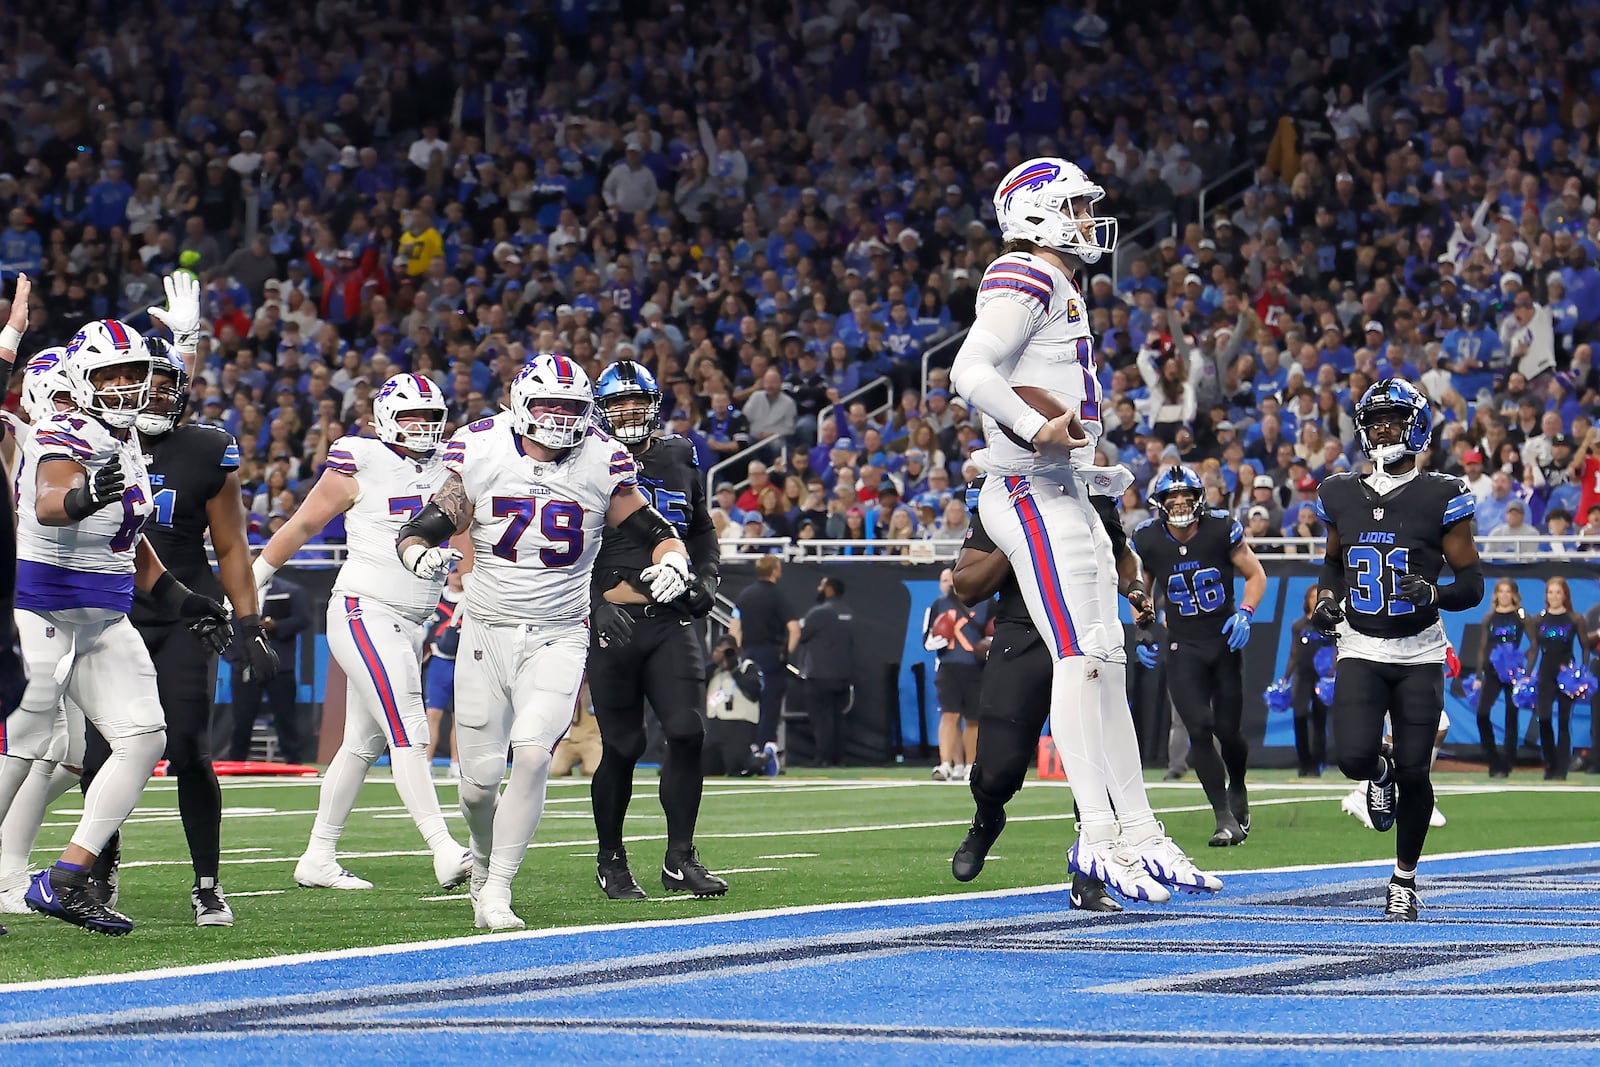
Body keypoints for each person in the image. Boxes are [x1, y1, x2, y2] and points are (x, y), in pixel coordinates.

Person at [949, 156, 1217, 902]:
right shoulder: (1024, 273)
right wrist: (1039, 427)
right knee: (1079, 656)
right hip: (1029, 488)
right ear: (1035, 212)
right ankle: (1097, 835)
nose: (1087, 219)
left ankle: (1136, 827)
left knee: (1105, 658)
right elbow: (970, 371)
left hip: (1065, 488)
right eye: (1073, 206)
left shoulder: (1058, 282)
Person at [396, 353, 694, 931]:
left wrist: (675, 558)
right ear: (520, 403)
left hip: (559, 633)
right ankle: (482, 867)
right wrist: (418, 553)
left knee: (533, 753)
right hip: (486, 631)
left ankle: (500, 888)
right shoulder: (482, 448)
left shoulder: (601, 460)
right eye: (548, 405)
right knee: (479, 786)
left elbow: (654, 529)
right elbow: (427, 523)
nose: (559, 417)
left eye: (571, 407)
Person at [10, 320, 231, 935]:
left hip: (104, 615)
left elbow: (129, 544)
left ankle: (66, 877)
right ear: (84, 377)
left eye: (134, 374)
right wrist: (85, 497)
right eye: (111, 375)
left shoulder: (128, 437)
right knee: (23, 747)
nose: (126, 386)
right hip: (41, 607)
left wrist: (186, 600)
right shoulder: (67, 431)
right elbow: (53, 502)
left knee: (143, 738)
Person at [77, 331, 277, 927]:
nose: (157, 398)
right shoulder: (94, 439)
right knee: (98, 753)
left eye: (169, 388)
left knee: (190, 748)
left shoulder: (206, 448)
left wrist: (248, 621)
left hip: (189, 615)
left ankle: (208, 884)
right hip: (114, 612)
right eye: (149, 387)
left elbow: (232, 544)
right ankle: (97, 867)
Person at [252, 372, 472, 893]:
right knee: (410, 727)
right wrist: (254, 581)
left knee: (361, 743)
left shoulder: (454, 467)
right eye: (411, 415)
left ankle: (318, 856)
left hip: (411, 619)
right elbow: (303, 524)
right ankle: (443, 846)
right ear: (385, 419)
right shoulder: (360, 457)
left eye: (430, 417)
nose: (421, 427)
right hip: (364, 608)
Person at [1310, 378, 1484, 920]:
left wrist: (1434, 593)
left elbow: (1473, 584)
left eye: (1393, 418)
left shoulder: (1442, 493)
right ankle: (1377, 775)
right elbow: (1335, 562)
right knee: (1354, 759)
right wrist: (1326, 600)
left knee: (1417, 770)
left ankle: (1403, 878)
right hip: (1361, 642)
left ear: (1417, 425)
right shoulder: (1339, 491)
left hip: (1419, 652)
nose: (1383, 428)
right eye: (1375, 420)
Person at [949, 474, 1152, 912]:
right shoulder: (1004, 494)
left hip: (1083, 637)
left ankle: (1090, 872)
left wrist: (1134, 589)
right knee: (997, 771)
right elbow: (965, 587)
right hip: (1023, 635)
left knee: (1093, 758)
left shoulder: (1093, 492)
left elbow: (1122, 558)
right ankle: (987, 817)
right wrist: (1020, 535)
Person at [586, 360, 725, 900]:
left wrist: (707, 578)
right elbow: (569, 551)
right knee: (622, 744)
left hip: (669, 620)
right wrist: (593, 602)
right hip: (614, 620)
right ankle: (611, 858)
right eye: (617, 404)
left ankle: (679, 857)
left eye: (636, 403)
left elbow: (702, 528)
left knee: (689, 731)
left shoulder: (676, 454)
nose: (628, 414)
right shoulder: (585, 462)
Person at [1132, 465, 1267, 846]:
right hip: (1182, 645)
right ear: (1160, 504)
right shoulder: (1148, 539)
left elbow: (1255, 575)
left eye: (1185, 499)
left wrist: (1246, 612)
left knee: (1228, 731)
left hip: (1222, 641)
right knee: (1199, 727)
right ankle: (1223, 817)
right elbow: (1141, 589)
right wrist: (1143, 631)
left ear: (1199, 501)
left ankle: (1237, 782)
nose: (1178, 505)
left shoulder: (1221, 529)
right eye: (1171, 500)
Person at [0, 347, 87, 918]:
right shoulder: (15, 434)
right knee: (27, 737)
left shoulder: (81, 441)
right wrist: (10, 337)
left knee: (74, 752)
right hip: (25, 601)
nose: (67, 405)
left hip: (77, 607)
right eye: (56, 393)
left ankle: (10, 864)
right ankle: (8, 873)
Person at [231, 570, 311, 762]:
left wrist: (277, 625)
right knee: (242, 718)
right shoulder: (235, 591)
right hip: (246, 664)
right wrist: (234, 657)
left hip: (279, 663)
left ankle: (293, 762)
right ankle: (235, 763)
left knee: (285, 717)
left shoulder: (290, 591)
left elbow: (303, 619)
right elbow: (229, 624)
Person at [729, 554, 797, 773]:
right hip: (770, 655)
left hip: (748, 655)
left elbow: (734, 629)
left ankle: (746, 749)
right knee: (770, 706)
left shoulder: (744, 596)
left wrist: (738, 656)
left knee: (749, 704)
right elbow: (795, 629)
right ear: (775, 571)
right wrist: (785, 654)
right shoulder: (778, 597)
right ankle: (765, 749)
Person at [922, 567, 990, 782]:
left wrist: (989, 644)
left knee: (973, 719)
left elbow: (996, 631)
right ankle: (945, 764)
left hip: (976, 667)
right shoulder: (939, 604)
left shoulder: (987, 603)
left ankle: (971, 765)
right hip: (949, 666)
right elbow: (927, 641)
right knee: (949, 715)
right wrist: (939, 638)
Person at [1530, 577, 1590, 780]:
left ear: (1565, 595)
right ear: (1545, 596)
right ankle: (1550, 764)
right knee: (1544, 719)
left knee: (1564, 722)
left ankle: (1561, 769)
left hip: (1567, 677)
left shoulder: (1575, 619)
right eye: (1550, 592)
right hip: (1545, 675)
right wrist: (1527, 675)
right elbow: (1533, 650)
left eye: (1558, 592)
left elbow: (1585, 648)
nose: (1554, 596)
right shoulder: (1539, 619)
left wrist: (1583, 673)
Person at [1474, 578, 1533, 778]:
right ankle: (1492, 760)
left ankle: (1507, 763)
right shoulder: (1489, 618)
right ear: (1496, 594)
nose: (1505, 595)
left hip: (1513, 674)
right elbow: (1482, 648)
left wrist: (1526, 672)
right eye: (1501, 591)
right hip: (1491, 671)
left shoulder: (1521, 616)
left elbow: (1533, 646)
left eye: (1508, 591)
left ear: (1514, 595)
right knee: (1482, 714)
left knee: (1511, 717)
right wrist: (1478, 675)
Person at [794, 576, 853, 767]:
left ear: (829, 590)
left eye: (822, 585)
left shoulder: (819, 613)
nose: (818, 588)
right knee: (838, 717)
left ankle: (823, 758)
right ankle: (839, 757)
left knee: (821, 719)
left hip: (819, 675)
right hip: (843, 674)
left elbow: (800, 635)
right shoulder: (847, 612)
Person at [1284, 587, 1336, 777]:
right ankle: (1303, 762)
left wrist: (1332, 671)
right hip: (1303, 675)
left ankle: (1317, 764)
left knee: (1320, 720)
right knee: (1299, 716)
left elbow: (1336, 648)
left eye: (1318, 597)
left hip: (1322, 677)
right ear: (1306, 600)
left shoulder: (1330, 623)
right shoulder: (1298, 625)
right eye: (1312, 597)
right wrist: (1286, 677)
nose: (1314, 600)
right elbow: (1293, 653)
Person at [703, 634, 765, 776]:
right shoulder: (713, 671)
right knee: (705, 768)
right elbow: (697, 684)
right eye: (720, 651)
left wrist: (734, 670)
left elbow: (754, 690)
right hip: (713, 726)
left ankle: (763, 760)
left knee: (737, 767)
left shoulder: (748, 667)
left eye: (729, 651)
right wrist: (715, 663)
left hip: (739, 726)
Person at [423, 570, 464, 780]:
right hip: (440, 661)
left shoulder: (473, 597)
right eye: (454, 571)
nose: (458, 576)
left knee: (460, 717)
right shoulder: (435, 599)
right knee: (433, 714)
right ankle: (427, 762)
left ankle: (456, 764)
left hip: (464, 663)